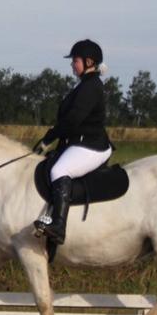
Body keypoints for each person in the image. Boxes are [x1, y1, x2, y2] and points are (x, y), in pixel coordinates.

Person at [32, 39, 113, 245]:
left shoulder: (91, 86)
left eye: (75, 60)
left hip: (92, 145)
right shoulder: (85, 84)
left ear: (88, 62)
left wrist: (48, 138)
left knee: (59, 170)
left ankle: (58, 226)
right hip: (79, 142)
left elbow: (73, 120)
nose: (71, 65)